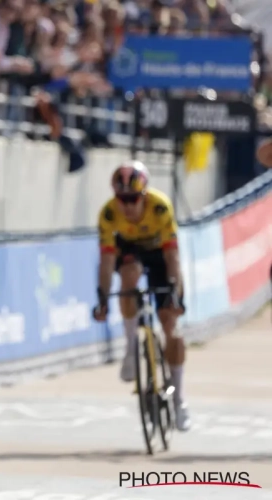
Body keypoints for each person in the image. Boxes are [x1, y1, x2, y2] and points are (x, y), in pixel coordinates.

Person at [92, 160, 190, 432]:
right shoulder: (109, 214)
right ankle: (131, 349)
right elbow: (106, 263)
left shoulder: (160, 207)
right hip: (130, 251)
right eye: (122, 199)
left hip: (160, 255)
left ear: (144, 195)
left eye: (133, 198)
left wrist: (175, 295)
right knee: (128, 276)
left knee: (172, 327)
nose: (128, 206)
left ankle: (179, 400)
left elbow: (173, 257)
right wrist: (101, 298)